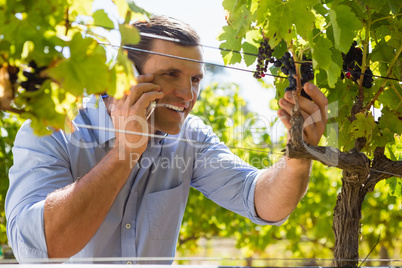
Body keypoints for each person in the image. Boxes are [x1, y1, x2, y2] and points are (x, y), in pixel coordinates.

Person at [5, 15, 328, 264]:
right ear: (125, 77)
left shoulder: (191, 137)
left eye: (195, 79)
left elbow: (261, 201)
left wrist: (298, 157)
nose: (188, 95)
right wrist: (124, 155)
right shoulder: (51, 130)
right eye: (170, 74)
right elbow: (43, 247)